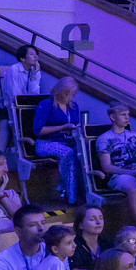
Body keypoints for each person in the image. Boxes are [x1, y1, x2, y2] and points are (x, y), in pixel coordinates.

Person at [93, 103, 136, 233]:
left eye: (128, 115)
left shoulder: (134, 136)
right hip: (119, 176)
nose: (127, 118)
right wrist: (131, 173)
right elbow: (106, 167)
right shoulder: (105, 139)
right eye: (123, 115)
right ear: (113, 117)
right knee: (132, 187)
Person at [33, 77, 89, 206]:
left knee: (84, 153)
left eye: (72, 95)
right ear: (59, 90)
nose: (69, 97)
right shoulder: (46, 105)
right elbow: (38, 130)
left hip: (68, 141)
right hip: (46, 143)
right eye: (66, 94)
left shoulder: (73, 106)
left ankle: (84, 193)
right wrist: (62, 127)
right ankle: (71, 196)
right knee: (68, 153)